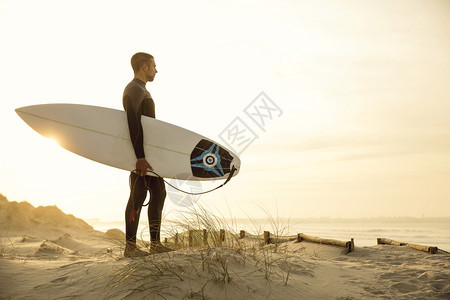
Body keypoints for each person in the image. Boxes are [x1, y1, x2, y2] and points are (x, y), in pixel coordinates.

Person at [122, 52, 173, 257]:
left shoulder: (141, 90)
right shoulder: (133, 90)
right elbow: (133, 123)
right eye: (153, 66)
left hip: (148, 156)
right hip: (139, 156)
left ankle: (155, 244)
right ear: (144, 67)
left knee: (159, 192)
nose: (156, 70)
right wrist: (140, 157)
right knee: (137, 196)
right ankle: (130, 247)